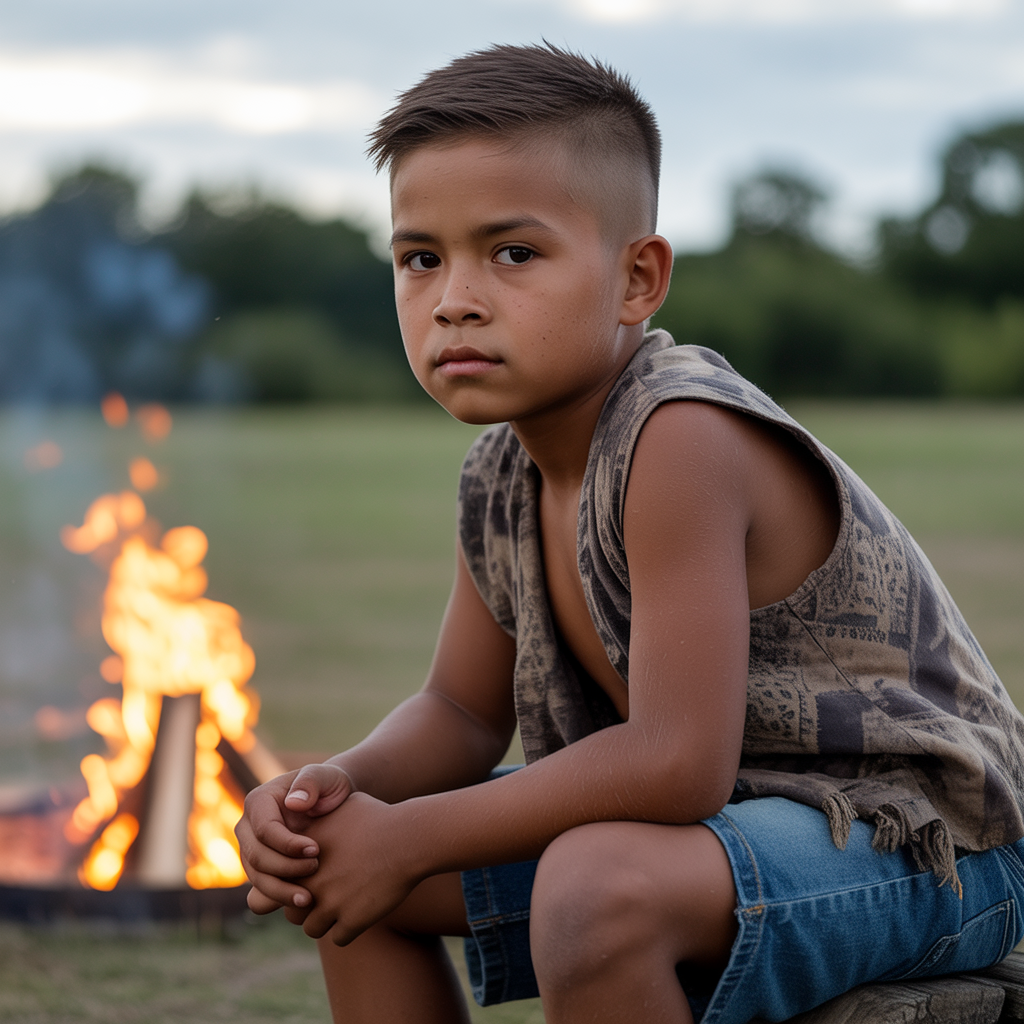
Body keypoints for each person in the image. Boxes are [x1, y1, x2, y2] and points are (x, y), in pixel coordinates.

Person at [235, 43, 1024, 1024]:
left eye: (512, 252)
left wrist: (417, 834)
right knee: (347, 859)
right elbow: (460, 712)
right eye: (419, 258)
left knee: (592, 886)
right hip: (730, 835)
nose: (454, 299)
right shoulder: (501, 473)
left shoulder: (678, 433)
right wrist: (335, 792)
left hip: (923, 846)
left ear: (636, 279)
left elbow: (671, 757)